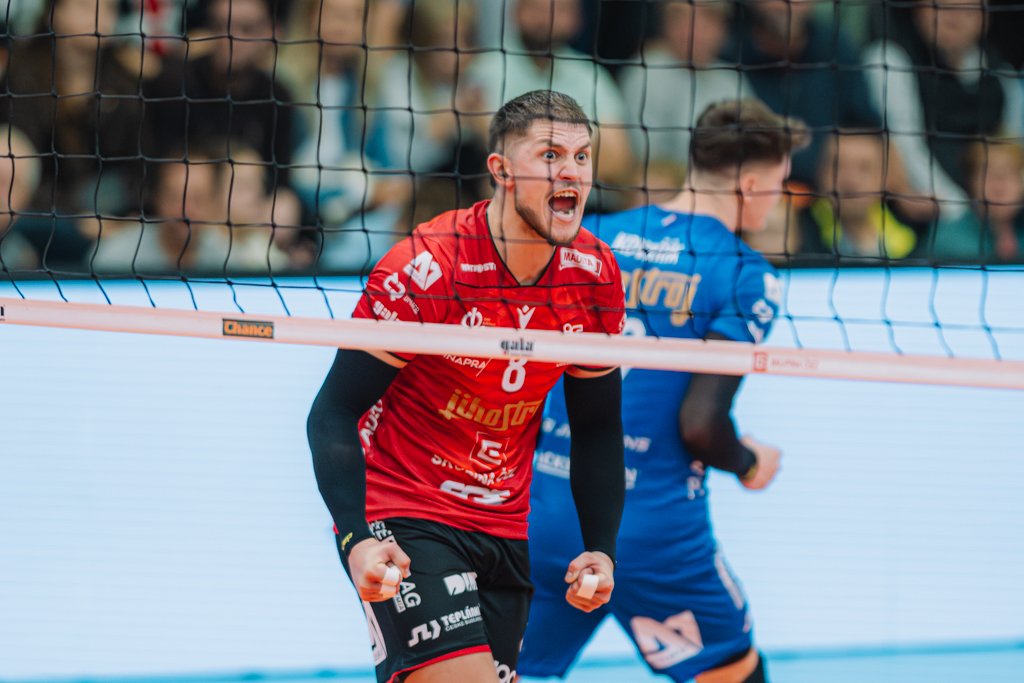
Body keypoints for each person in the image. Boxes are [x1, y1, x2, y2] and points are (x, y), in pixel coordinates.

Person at [306, 90, 627, 683]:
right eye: (550, 155)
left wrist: (601, 548)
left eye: (582, 157)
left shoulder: (594, 275)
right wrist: (356, 538)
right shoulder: (429, 266)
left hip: (504, 525)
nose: (572, 173)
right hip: (403, 511)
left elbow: (599, 427)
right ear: (501, 170)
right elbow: (332, 411)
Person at [519, 99, 809, 683]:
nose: (777, 198)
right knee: (733, 671)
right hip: (652, 533)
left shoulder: (593, 237)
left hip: (544, 511)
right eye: (779, 185)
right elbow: (700, 425)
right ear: (752, 186)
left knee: (512, 672)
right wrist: (749, 462)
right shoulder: (745, 273)